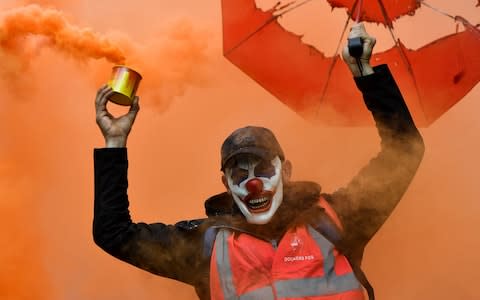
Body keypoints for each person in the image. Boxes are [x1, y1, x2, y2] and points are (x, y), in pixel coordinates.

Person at [93, 24, 424, 300]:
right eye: (240, 173)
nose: (253, 183)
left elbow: (404, 149)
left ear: (286, 171)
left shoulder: (336, 219)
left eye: (264, 169)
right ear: (226, 185)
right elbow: (114, 233)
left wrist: (366, 74)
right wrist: (114, 142)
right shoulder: (205, 246)